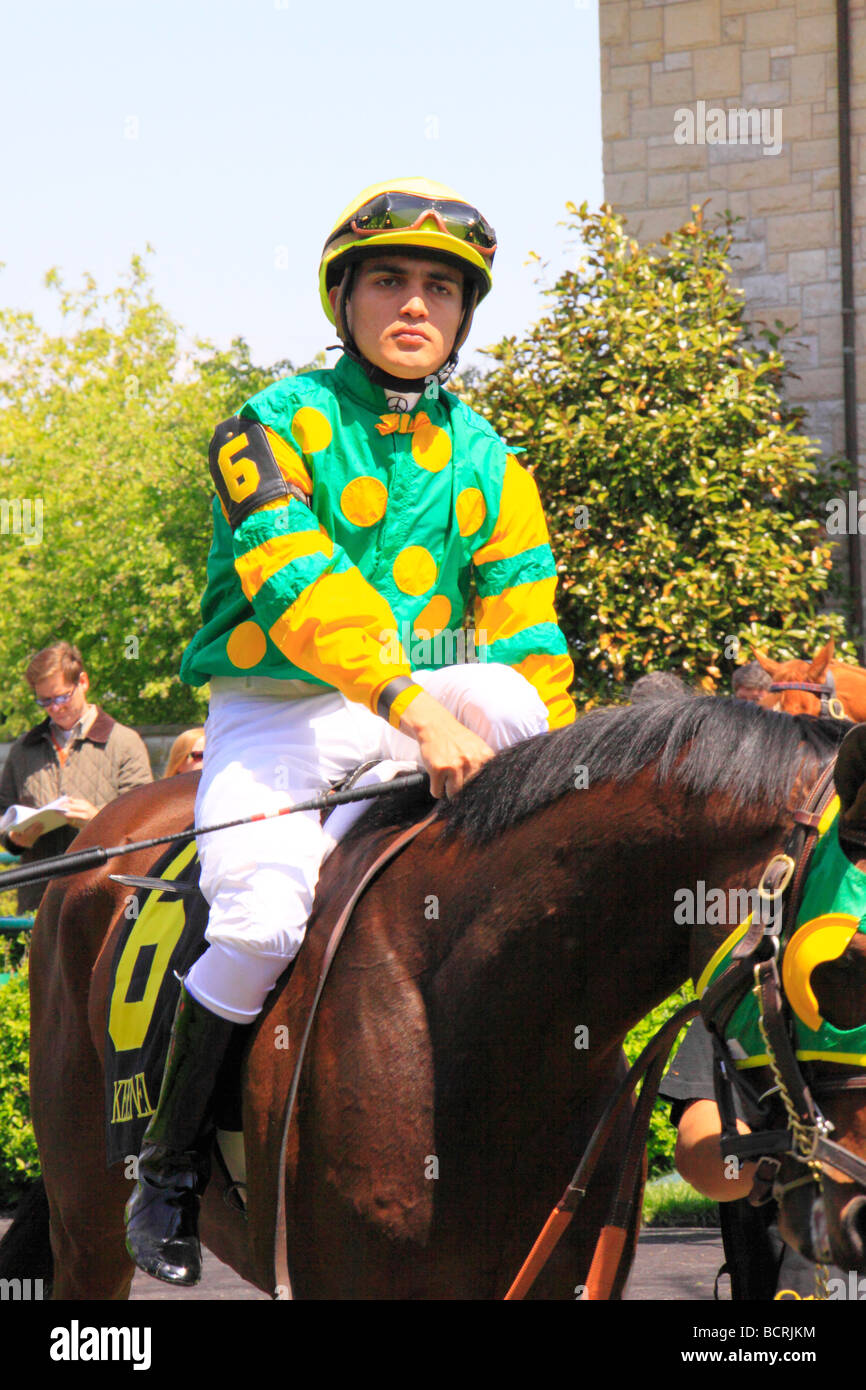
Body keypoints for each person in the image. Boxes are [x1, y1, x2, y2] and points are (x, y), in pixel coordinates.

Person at [125, 177, 578, 1285]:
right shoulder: (266, 425)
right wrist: (418, 710)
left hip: (420, 720)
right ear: (345, 299)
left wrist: (565, 786)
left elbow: (526, 633)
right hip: (282, 717)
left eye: (439, 286)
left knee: (529, 718)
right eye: (388, 280)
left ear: (463, 315)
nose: (414, 303)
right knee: (261, 924)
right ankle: (168, 1168)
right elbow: (303, 589)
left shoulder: (490, 460)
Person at [0, 642, 153, 913]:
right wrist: (15, 840)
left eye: (61, 697)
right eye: (44, 701)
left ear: (82, 682)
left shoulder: (124, 743)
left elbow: (147, 826)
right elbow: (4, 818)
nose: (54, 708)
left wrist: (97, 819)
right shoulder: (23, 750)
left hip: (104, 898)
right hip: (38, 903)